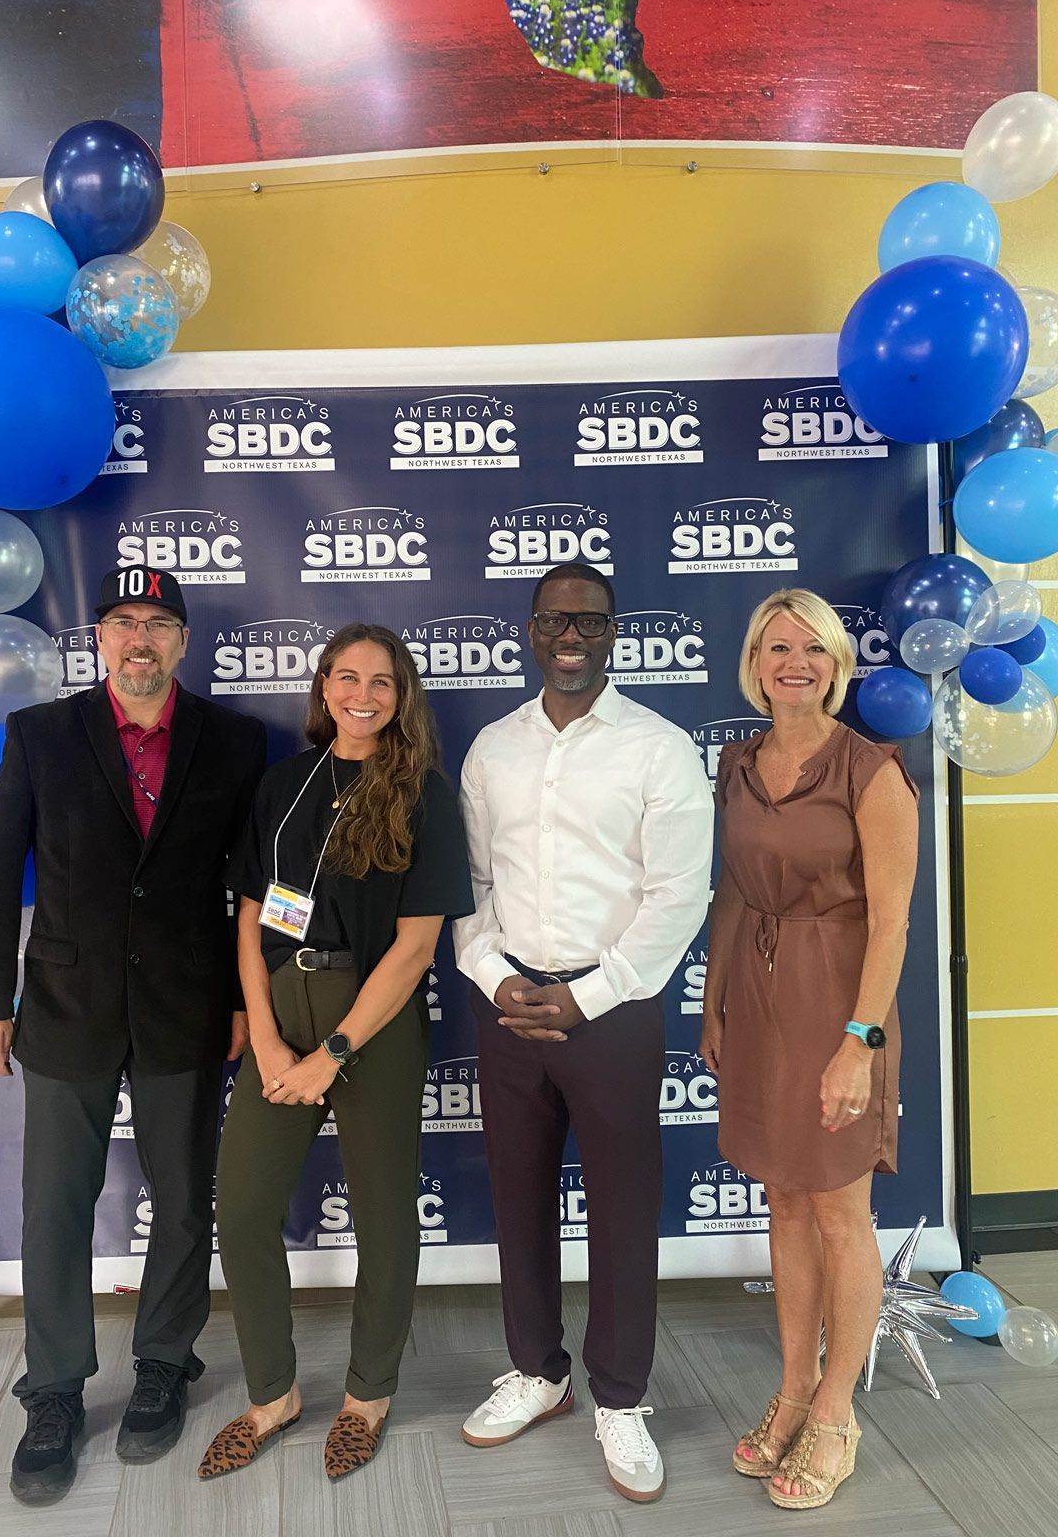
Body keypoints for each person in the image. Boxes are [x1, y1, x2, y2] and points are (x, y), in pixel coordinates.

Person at [0, 566, 266, 1504]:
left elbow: (255, 885)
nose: (140, 640)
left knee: (181, 1202)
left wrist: (254, 1000)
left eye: (158, 625)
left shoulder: (236, 741)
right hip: (63, 1006)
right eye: (122, 623)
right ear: (99, 640)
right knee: (52, 1204)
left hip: (189, 1004)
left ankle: (165, 1364)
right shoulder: (42, 735)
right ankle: (52, 1390)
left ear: (182, 642)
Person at [453, 562, 713, 1505]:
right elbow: (471, 888)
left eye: (592, 621)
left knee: (622, 1206)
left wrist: (589, 995)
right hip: (509, 1005)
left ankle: (620, 1395)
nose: (573, 635)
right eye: (558, 619)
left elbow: (678, 895)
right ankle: (538, 1372)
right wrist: (496, 977)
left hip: (615, 1013)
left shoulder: (660, 748)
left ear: (614, 633)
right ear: (531, 629)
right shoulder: (491, 749)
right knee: (518, 1197)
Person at [200, 623, 473, 1483]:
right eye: (347, 677)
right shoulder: (284, 784)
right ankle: (273, 1395)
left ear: (402, 697)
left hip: (374, 1017)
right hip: (283, 1004)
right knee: (242, 1211)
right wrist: (271, 1035)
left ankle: (367, 1395)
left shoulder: (423, 793)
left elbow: (417, 945)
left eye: (382, 682)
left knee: (385, 1214)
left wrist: (336, 1050)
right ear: (323, 688)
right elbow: (250, 917)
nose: (363, 695)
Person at [699, 588, 918, 1511]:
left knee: (839, 1211)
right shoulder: (736, 761)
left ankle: (836, 1414)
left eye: (813, 650)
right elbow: (732, 894)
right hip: (754, 994)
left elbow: (895, 920)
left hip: (837, 1000)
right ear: (754, 664)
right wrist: (715, 1006)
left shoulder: (873, 771)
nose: (794, 663)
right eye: (776, 647)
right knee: (783, 1199)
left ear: (836, 665)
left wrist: (858, 1043)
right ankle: (792, 1388)